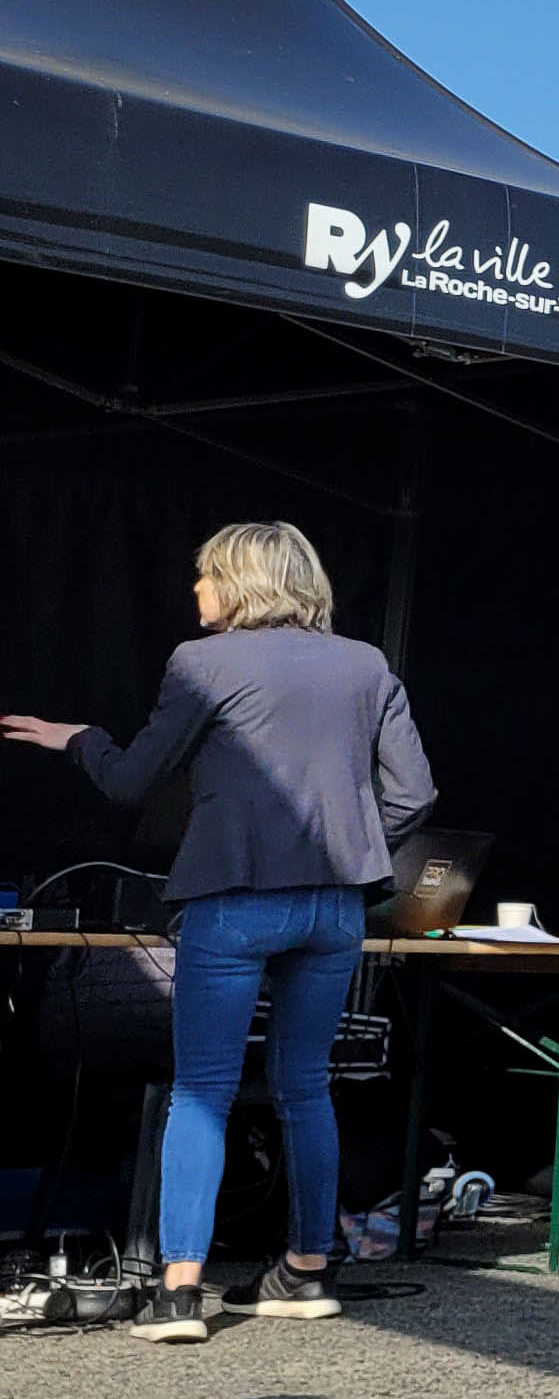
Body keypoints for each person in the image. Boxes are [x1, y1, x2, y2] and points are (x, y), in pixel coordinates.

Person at [4, 521, 435, 1343]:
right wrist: (350, 848)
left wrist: (78, 740)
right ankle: (306, 1272)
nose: (194, 592)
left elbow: (133, 780)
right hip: (335, 908)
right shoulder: (365, 665)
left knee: (201, 1091)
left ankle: (178, 1294)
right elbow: (415, 794)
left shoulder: (202, 664)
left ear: (238, 582)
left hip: (232, 902)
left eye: (205, 577)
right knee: (307, 1087)